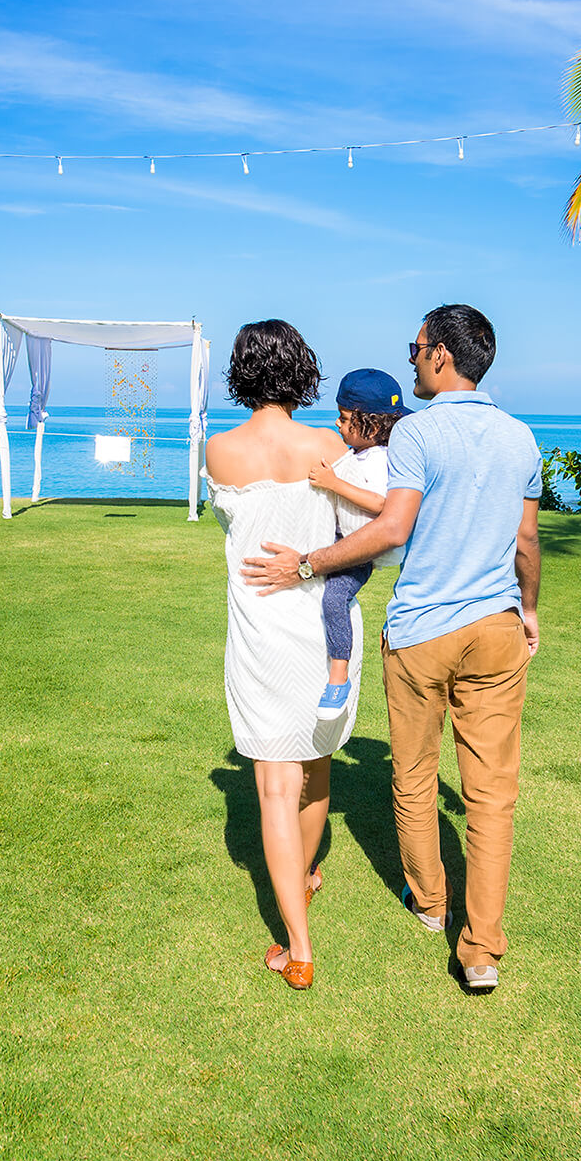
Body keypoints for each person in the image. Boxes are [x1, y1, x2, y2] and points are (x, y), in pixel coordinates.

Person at [244, 304, 540, 994]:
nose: (411, 359)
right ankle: (482, 951)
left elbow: (391, 526)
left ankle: (433, 904)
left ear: (441, 356)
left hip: (421, 634)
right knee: (492, 797)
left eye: (416, 347)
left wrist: (311, 563)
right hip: (497, 627)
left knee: (412, 777)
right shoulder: (521, 437)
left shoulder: (417, 435)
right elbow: (527, 542)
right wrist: (528, 610)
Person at [203, 320, 353, 991]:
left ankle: (298, 946)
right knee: (316, 766)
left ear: (241, 370)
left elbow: (230, 524)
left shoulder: (220, 451)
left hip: (261, 633)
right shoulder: (328, 445)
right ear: (301, 368)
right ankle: (307, 875)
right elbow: (362, 529)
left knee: (273, 784)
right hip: (325, 632)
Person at [306, 368, 409, 720]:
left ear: (373, 425)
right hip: (343, 537)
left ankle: (339, 676)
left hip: (361, 548)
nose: (338, 424)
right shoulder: (360, 455)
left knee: (335, 598)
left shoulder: (380, 458)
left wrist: (334, 484)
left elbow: (383, 504)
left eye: (345, 418)